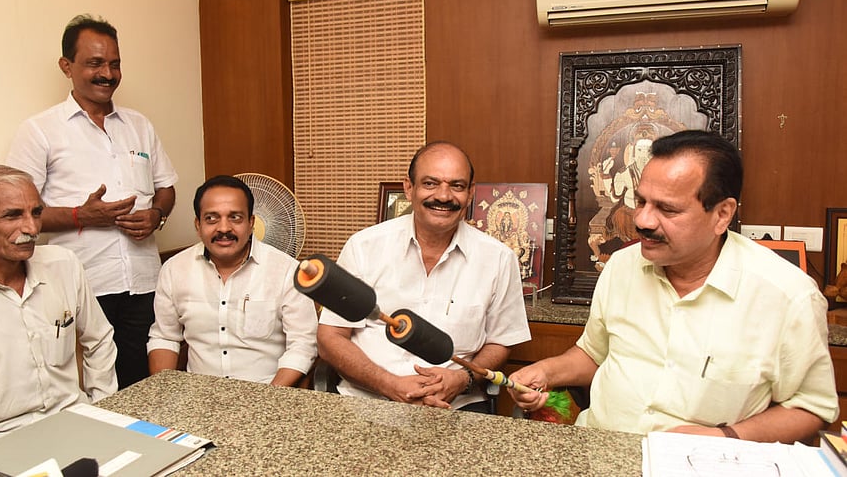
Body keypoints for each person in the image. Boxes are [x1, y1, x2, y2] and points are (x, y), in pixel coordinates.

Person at [509, 130, 838, 443]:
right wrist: (545, 371)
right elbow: (594, 354)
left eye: (667, 209)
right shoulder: (622, 266)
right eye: (641, 202)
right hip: (598, 448)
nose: (643, 221)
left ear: (722, 214)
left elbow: (811, 407)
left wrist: (723, 438)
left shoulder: (787, 296)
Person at [6, 14, 178, 389]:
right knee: (90, 391)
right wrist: (81, 215)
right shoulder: (39, 131)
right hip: (82, 286)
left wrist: (156, 215)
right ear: (67, 66)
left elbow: (166, 187)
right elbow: (19, 217)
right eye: (95, 63)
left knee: (142, 386)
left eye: (114, 63)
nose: (108, 73)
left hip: (144, 283)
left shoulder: (139, 125)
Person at [316, 141, 531, 412]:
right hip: (366, 403)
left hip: (456, 409)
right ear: (409, 188)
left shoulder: (499, 258)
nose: (443, 196)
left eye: (457, 185)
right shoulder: (364, 246)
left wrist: (462, 379)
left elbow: (500, 341)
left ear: (471, 192)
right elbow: (330, 337)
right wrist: (388, 384)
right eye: (430, 183)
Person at [0, 165, 117, 466]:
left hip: (78, 427)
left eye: (36, 213)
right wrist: (20, 467)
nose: (32, 229)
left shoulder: (64, 264)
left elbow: (99, 339)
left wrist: (103, 409)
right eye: (12, 215)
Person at [147, 176, 317, 386]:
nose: (224, 228)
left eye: (235, 217)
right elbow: (165, 337)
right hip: (197, 395)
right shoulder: (174, 270)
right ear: (198, 225)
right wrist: (163, 394)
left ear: (251, 223)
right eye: (211, 218)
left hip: (267, 392)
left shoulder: (286, 271)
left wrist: (270, 397)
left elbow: (303, 345)